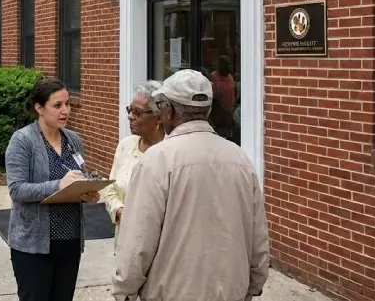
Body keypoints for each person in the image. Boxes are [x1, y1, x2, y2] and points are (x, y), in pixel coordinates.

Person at [112, 69, 269, 301]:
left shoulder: (156, 161)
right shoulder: (240, 158)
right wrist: (254, 284)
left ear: (168, 110)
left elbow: (137, 242)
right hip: (230, 291)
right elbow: (258, 236)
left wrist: (124, 290)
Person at [5, 78, 99, 301]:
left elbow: (77, 179)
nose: (65, 111)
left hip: (69, 241)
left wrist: (87, 193)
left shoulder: (73, 140)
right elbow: (17, 190)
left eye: (68, 104)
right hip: (33, 245)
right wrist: (58, 185)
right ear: (39, 108)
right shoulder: (22, 141)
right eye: (57, 105)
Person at [100, 80, 165, 244]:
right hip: (125, 239)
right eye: (130, 110)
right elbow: (109, 187)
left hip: (159, 244)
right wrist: (120, 211)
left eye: (137, 112)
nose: (130, 116)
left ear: (158, 117)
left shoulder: (170, 153)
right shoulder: (126, 146)